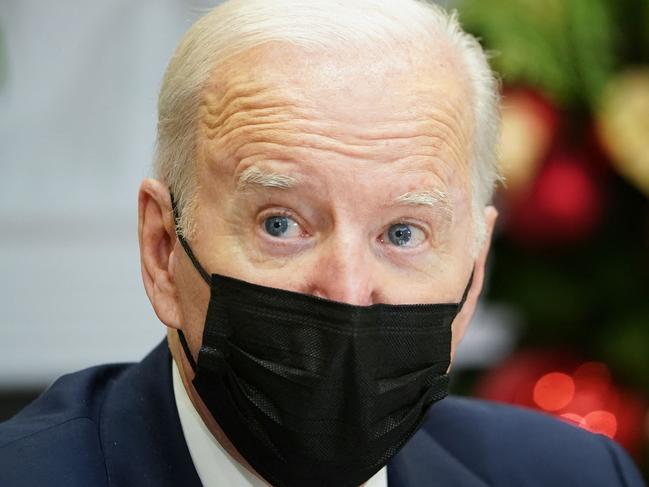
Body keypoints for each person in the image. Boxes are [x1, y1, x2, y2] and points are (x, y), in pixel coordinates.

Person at [0, 0, 645, 485]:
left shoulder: (577, 474)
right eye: (280, 223)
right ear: (163, 248)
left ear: (473, 274)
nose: (345, 288)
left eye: (402, 233)